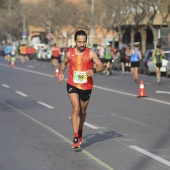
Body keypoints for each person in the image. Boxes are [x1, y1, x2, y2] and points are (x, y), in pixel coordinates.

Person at [58, 30, 104, 149]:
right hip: (72, 84)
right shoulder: (70, 53)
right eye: (80, 42)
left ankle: (80, 129)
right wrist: (61, 73)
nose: (82, 44)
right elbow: (64, 63)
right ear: (75, 41)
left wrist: (94, 70)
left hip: (86, 86)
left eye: (84, 42)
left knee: (82, 112)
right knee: (76, 109)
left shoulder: (91, 53)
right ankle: (75, 137)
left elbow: (101, 66)